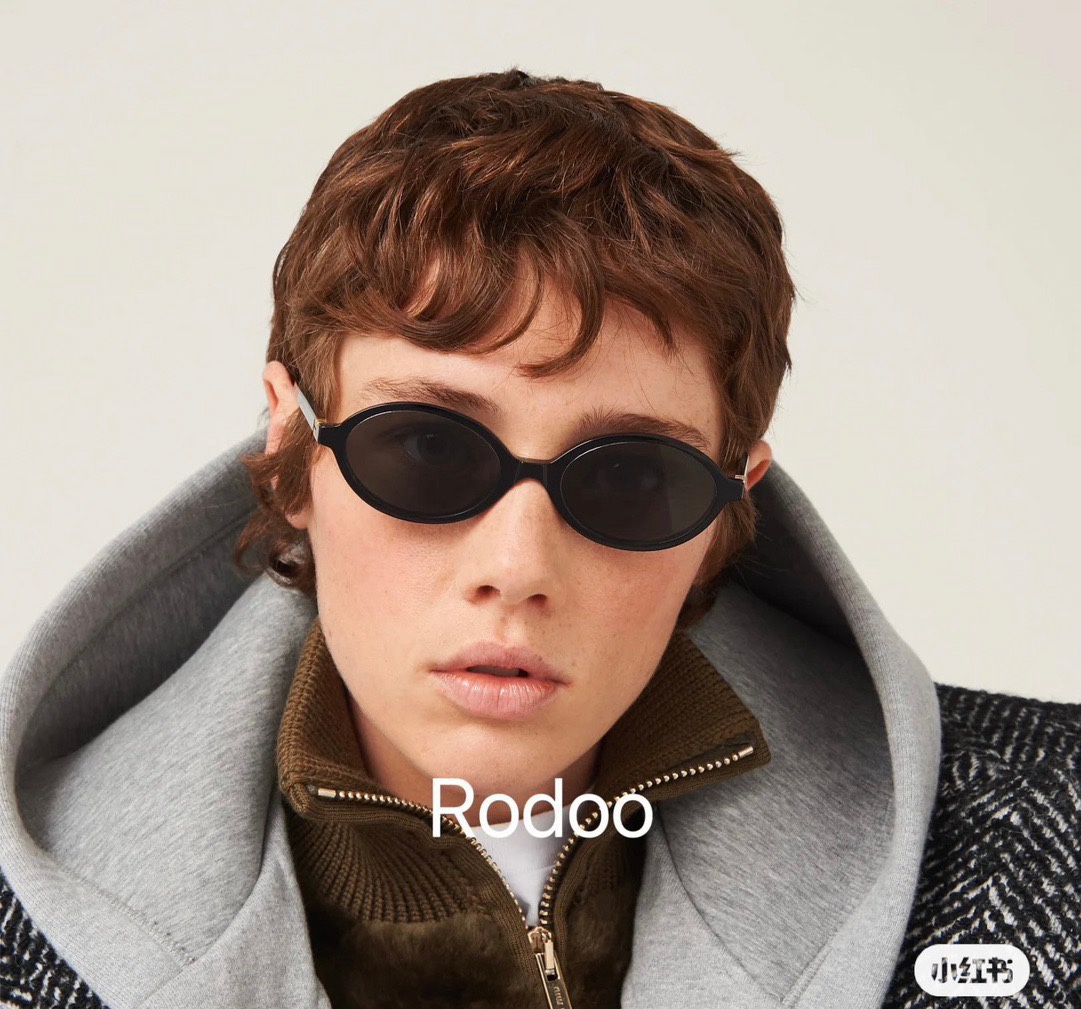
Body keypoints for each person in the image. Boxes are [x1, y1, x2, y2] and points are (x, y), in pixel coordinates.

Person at [0, 69, 1076, 1009]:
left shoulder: (1052, 833)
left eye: (629, 479)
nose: (516, 569)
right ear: (292, 445)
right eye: (428, 450)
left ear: (728, 506)